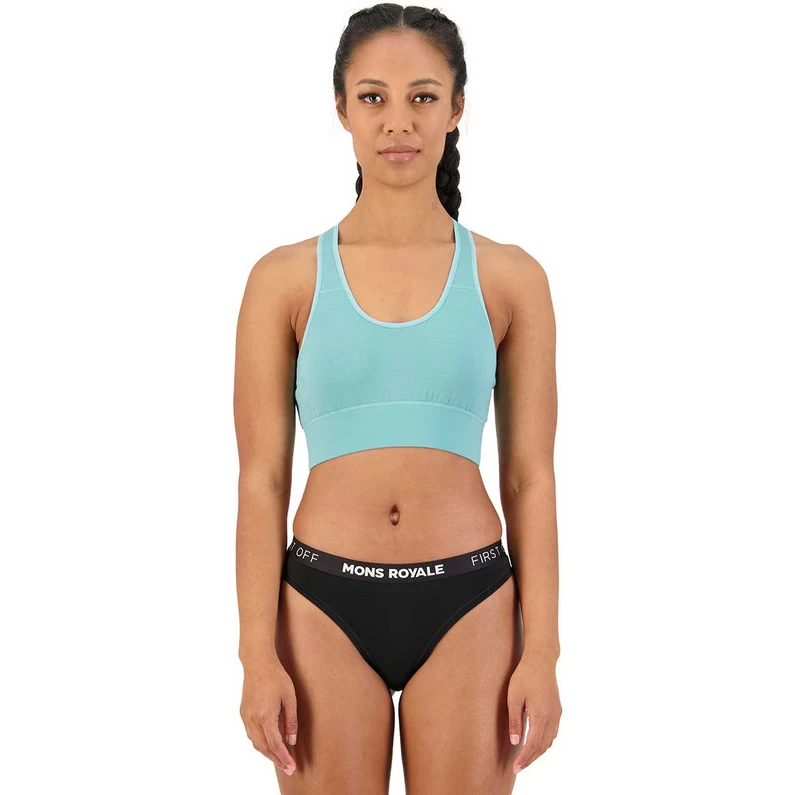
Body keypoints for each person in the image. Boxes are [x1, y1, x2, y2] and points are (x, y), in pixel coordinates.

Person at [233, 4, 561, 792]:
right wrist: (255, 654)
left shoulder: (511, 277)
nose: (397, 121)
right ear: (341, 108)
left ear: (456, 108)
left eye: (422, 96)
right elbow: (260, 478)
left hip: (470, 601)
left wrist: (543, 651)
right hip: (319, 603)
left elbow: (530, 477)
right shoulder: (283, 278)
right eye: (373, 97)